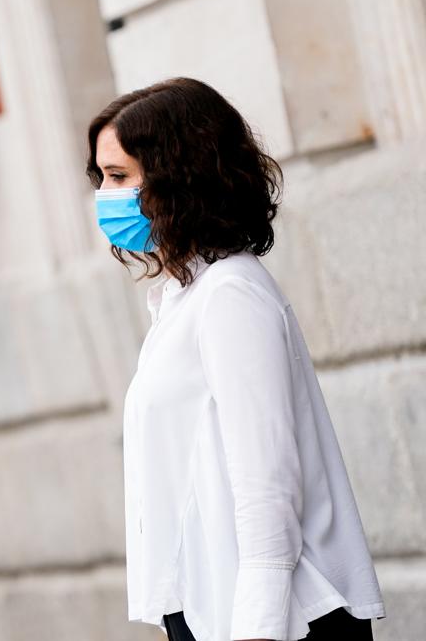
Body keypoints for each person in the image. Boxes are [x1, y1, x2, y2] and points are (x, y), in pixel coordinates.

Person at [85, 77, 386, 641]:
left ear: (178, 176)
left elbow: (268, 485)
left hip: (281, 619)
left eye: (119, 176)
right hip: (214, 609)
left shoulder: (230, 296)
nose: (105, 194)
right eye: (102, 177)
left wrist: (256, 629)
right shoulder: (182, 299)